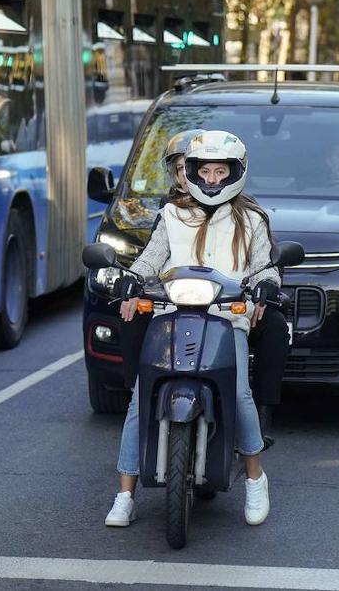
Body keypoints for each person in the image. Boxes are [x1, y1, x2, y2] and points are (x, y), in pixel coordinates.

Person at [105, 130, 279, 529]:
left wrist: (267, 284)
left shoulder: (252, 219)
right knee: (139, 398)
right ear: (192, 173)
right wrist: (129, 280)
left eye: (222, 171)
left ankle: (255, 478)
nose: (214, 179)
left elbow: (264, 265)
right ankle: (124, 494)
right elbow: (150, 259)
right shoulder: (172, 215)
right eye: (206, 170)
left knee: (239, 393)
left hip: (225, 319)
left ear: (235, 172)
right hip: (170, 316)